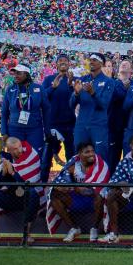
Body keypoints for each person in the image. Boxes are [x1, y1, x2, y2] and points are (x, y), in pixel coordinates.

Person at [0, 136, 42, 243]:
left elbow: (28, 185)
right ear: (9, 150)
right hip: (12, 197)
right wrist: (4, 173)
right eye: (15, 149)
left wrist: (13, 173)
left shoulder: (30, 156)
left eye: (20, 146)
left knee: (33, 194)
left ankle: (26, 234)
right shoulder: (6, 162)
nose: (19, 150)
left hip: (26, 198)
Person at [47, 141, 110, 243]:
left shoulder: (101, 165)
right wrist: (64, 187)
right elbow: (63, 181)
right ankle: (74, 228)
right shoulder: (73, 165)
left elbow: (101, 187)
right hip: (77, 199)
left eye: (92, 151)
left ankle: (94, 228)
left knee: (101, 195)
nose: (91, 154)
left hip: (94, 200)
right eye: (87, 152)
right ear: (80, 154)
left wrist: (80, 188)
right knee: (54, 194)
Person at [71, 52, 114, 160]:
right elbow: (71, 104)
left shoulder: (108, 81)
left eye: (94, 60)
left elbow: (104, 105)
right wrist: (75, 94)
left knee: (100, 159)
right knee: (79, 158)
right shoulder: (82, 80)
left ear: (101, 63)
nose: (91, 62)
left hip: (98, 126)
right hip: (81, 126)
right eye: (90, 60)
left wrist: (93, 93)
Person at [0, 63, 49, 157]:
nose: (15, 75)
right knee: (17, 159)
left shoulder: (38, 88)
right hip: (15, 130)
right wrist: (4, 132)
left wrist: (47, 131)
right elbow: (4, 112)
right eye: (14, 73)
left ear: (26, 74)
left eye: (19, 73)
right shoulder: (10, 89)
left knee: (36, 157)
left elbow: (46, 111)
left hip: (35, 130)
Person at [41, 53, 77, 181]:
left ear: (69, 64)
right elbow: (42, 98)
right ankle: (42, 187)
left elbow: (79, 99)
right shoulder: (48, 79)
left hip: (70, 125)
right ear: (56, 64)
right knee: (46, 159)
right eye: (60, 60)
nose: (63, 62)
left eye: (65, 60)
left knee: (71, 158)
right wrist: (52, 87)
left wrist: (72, 85)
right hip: (53, 125)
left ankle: (73, 185)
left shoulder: (74, 79)